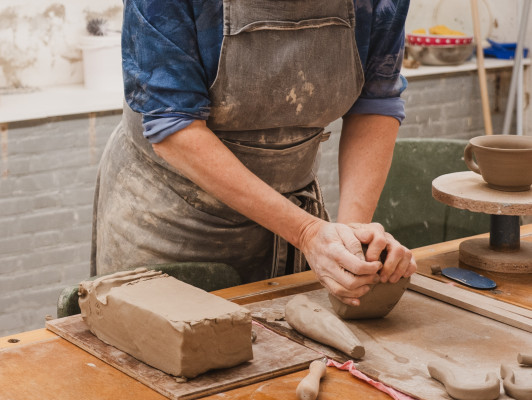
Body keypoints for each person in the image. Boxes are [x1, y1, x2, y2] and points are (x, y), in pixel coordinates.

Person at [91, 0, 417, 307]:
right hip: (171, 221)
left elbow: (375, 103)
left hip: (294, 224)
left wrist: (349, 243)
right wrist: (306, 232)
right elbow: (174, 127)